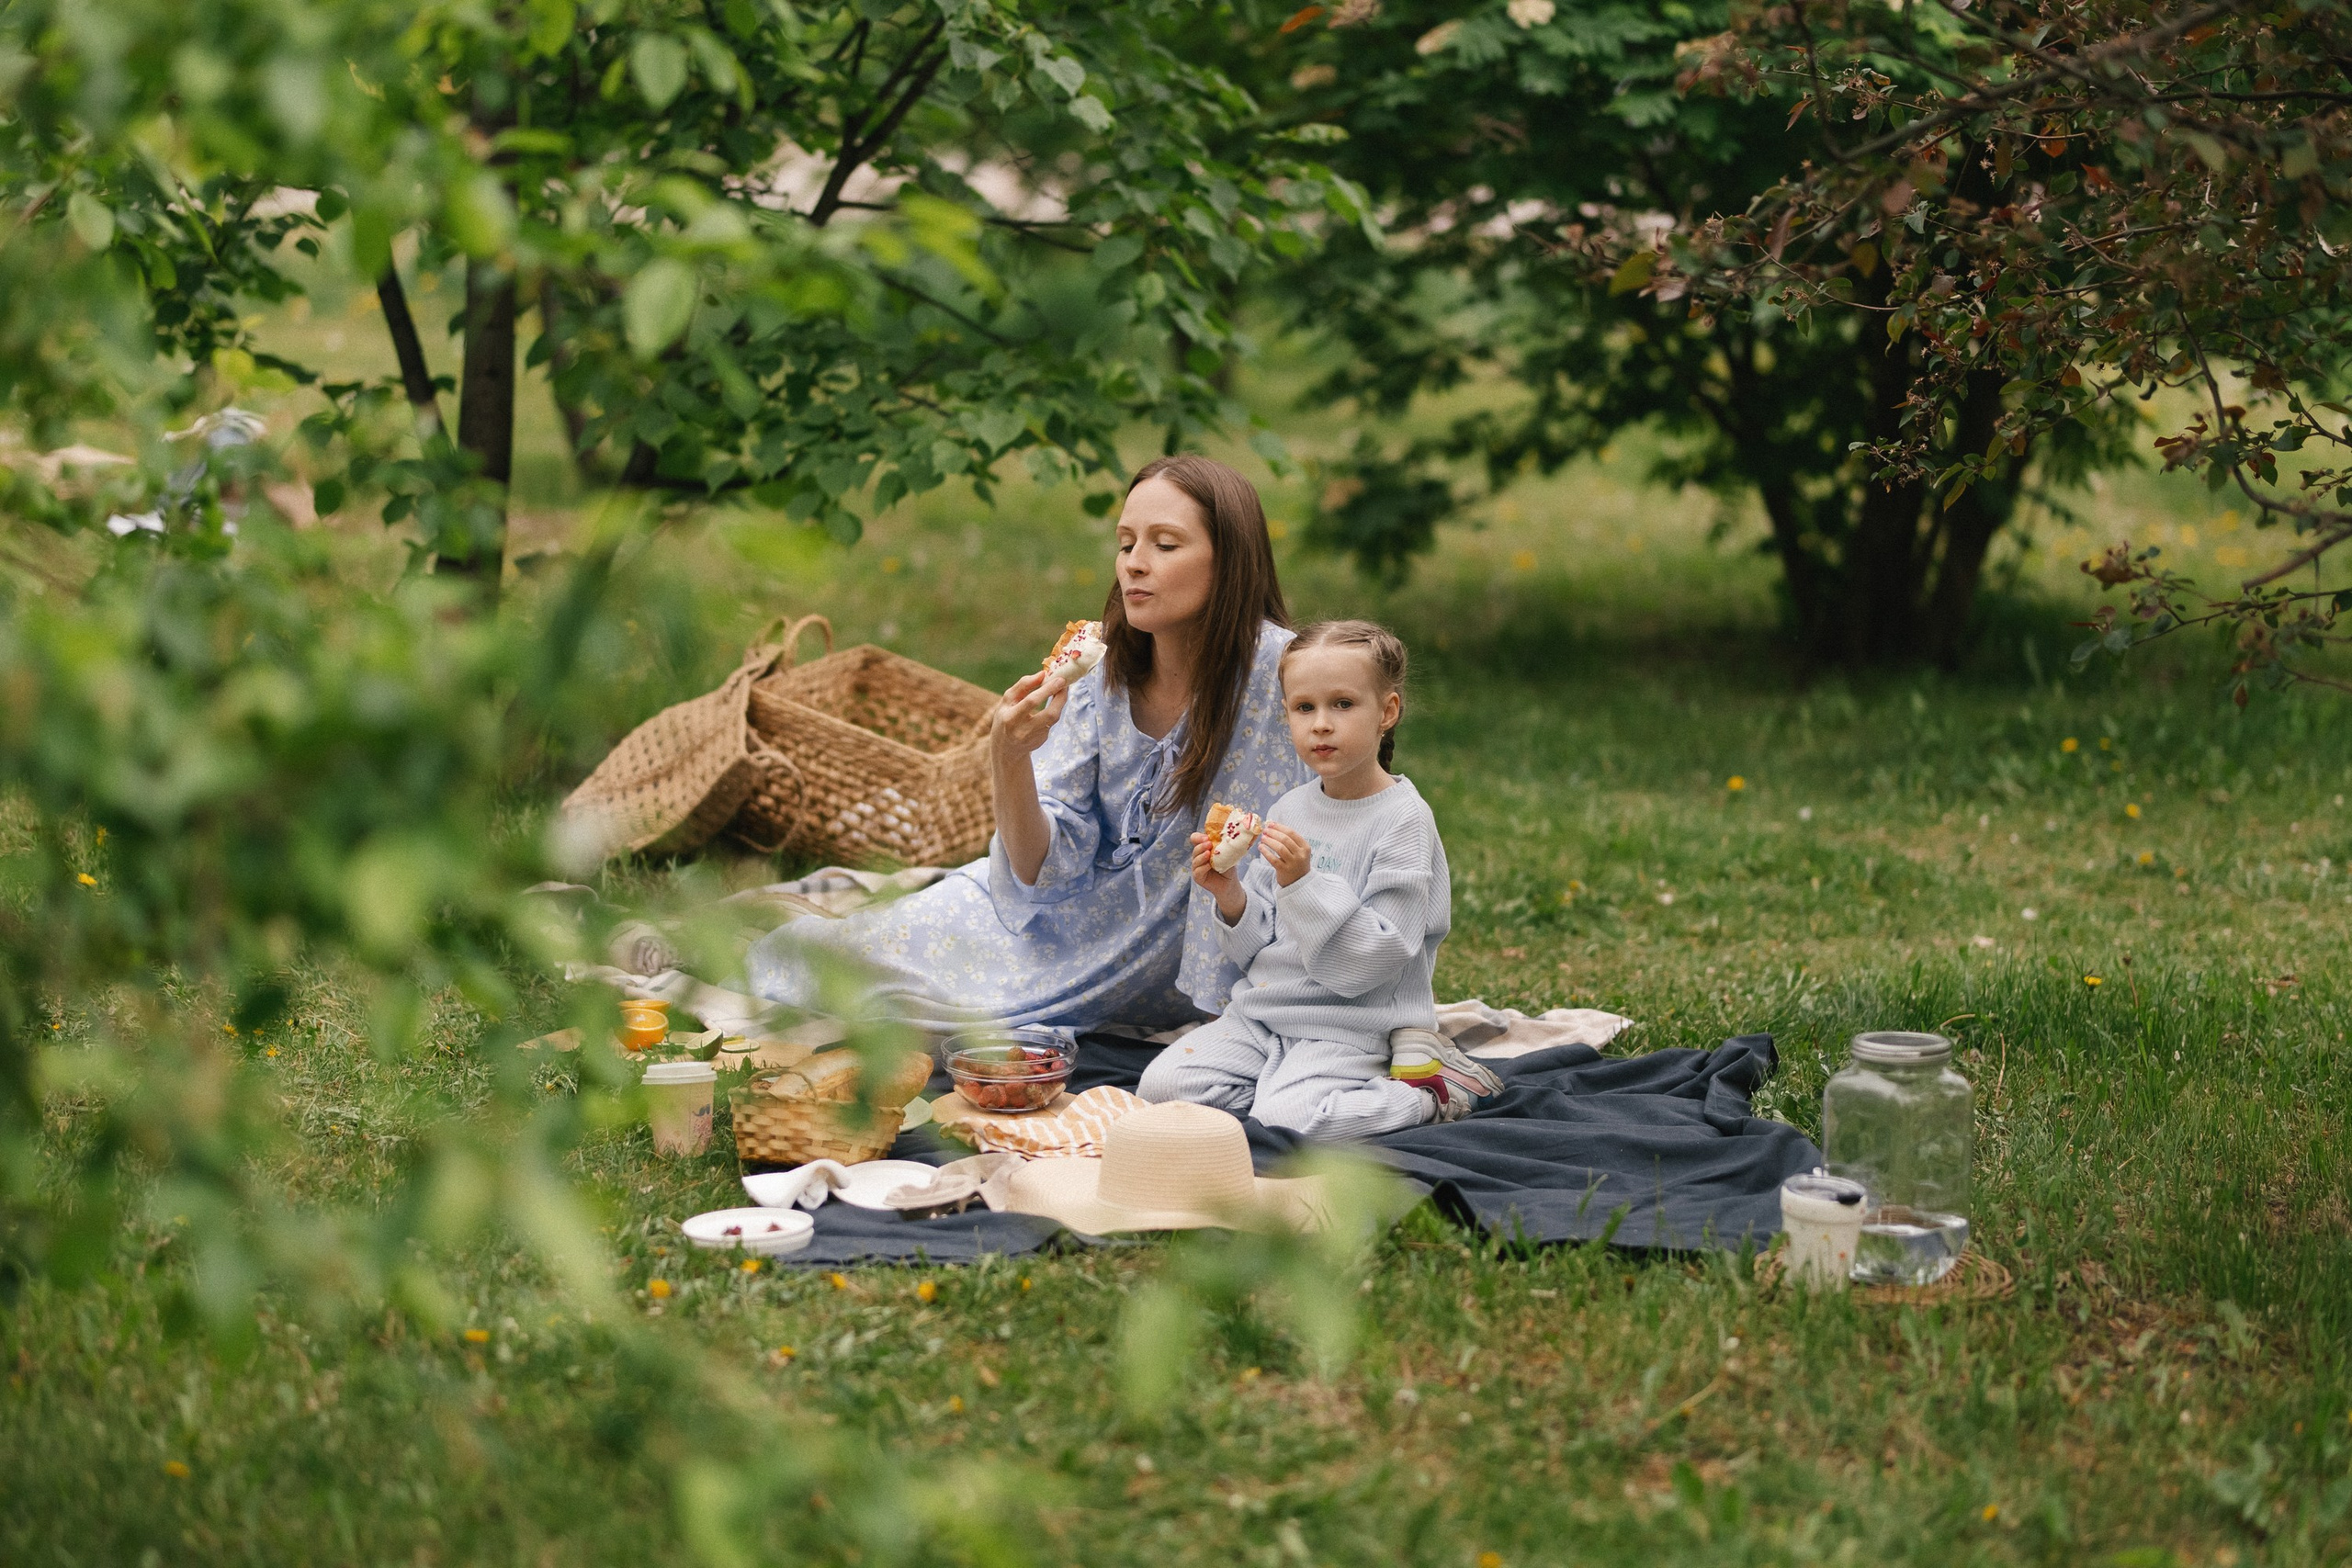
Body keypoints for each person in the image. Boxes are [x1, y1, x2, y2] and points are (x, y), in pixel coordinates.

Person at [744, 455, 1307, 1034]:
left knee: (919, 1015)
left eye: (1165, 545)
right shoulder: (1099, 673)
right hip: (1051, 924)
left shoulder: (1285, 677)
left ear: (1230, 561)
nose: (1134, 564)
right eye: (1125, 543)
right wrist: (1009, 755)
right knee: (824, 963)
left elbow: (1326, 821)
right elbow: (1042, 870)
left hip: (1165, 964)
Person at [1136, 620, 1500, 1140]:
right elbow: (1257, 949)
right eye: (1304, 708)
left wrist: (1304, 884)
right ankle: (1280, 1088)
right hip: (1264, 1017)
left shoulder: (1403, 820)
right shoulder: (1290, 808)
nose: (1321, 725)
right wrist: (1230, 894)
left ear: (1387, 712)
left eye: (1343, 705)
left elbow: (1374, 960)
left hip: (1348, 1026)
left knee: (1291, 1123)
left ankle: (1430, 1095)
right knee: (1161, 1087)